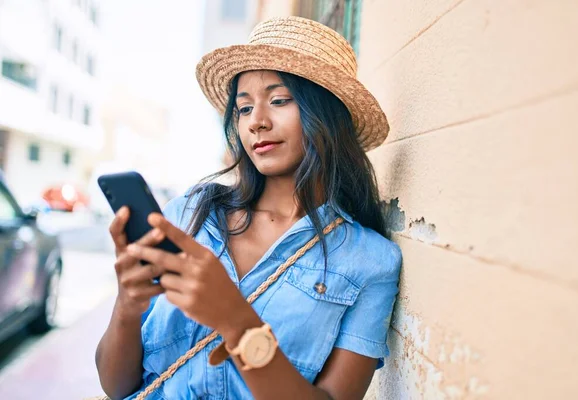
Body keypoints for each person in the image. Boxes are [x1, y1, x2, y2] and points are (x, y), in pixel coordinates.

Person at [95, 16, 402, 400]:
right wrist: (127, 302)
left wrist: (235, 320)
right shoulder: (189, 215)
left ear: (326, 115)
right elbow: (115, 385)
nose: (256, 122)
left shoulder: (371, 260)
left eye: (278, 100)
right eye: (243, 108)